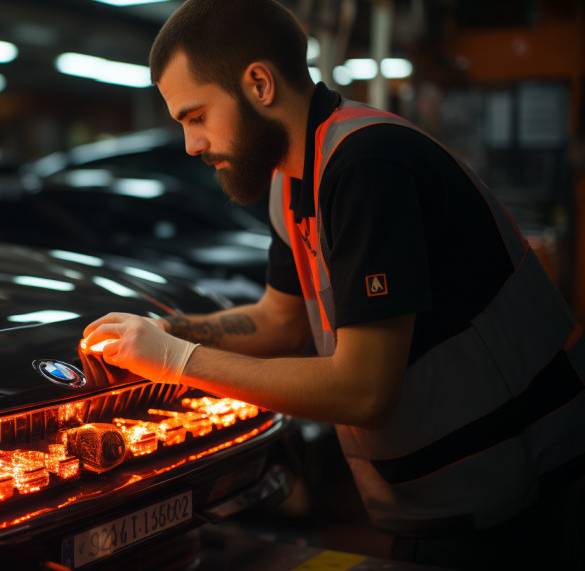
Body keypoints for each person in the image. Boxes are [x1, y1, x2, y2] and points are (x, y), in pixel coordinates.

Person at [80, 0, 585, 568]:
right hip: (449, 496)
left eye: (196, 116)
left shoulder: (368, 163)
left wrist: (177, 359)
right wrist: (160, 332)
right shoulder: (293, 179)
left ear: (259, 83)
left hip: (527, 488)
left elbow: (363, 390)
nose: (192, 144)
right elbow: (278, 321)